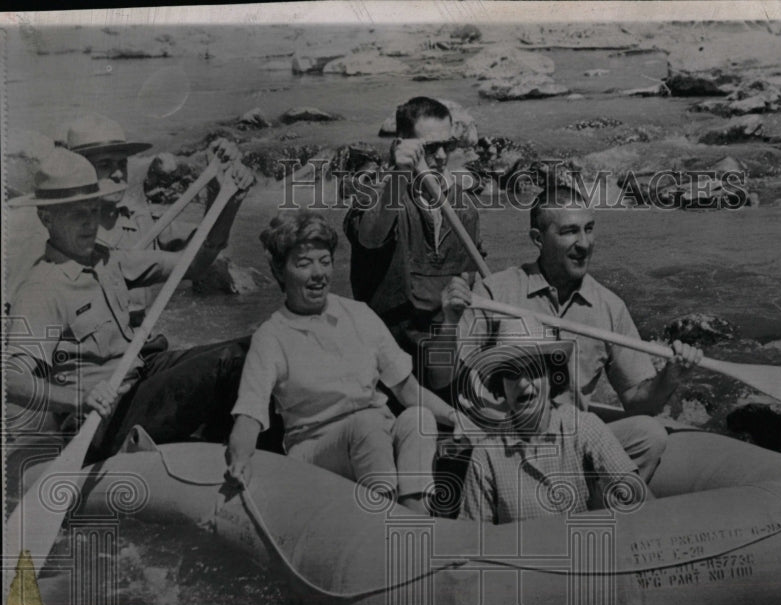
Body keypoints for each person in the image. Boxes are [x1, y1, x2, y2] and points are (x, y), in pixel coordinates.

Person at [5, 148, 256, 463]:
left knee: (255, 348)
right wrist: (78, 398)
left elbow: (193, 265)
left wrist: (228, 201)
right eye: (75, 213)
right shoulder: (42, 289)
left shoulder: (107, 258)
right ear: (46, 218)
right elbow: (10, 380)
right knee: (224, 362)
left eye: (93, 209)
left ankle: (231, 451)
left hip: (138, 379)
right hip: (98, 420)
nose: (89, 222)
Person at [442, 184, 703, 483]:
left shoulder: (609, 306)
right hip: (503, 436)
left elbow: (636, 401)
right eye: (569, 232)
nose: (584, 243)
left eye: (589, 229)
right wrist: (450, 321)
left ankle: (591, 504)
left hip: (571, 438)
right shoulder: (494, 291)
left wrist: (669, 376)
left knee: (649, 434)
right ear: (538, 239)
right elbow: (452, 377)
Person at [225, 210, 477, 515]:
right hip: (314, 452)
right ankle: (380, 521)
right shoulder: (271, 336)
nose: (318, 273)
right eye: (304, 264)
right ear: (280, 271)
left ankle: (414, 518)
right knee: (367, 423)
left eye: (325, 261)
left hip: (375, 436)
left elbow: (408, 390)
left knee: (418, 419)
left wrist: (457, 418)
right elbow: (249, 416)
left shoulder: (359, 314)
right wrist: (239, 460)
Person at [344, 96, 483, 394]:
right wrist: (400, 173)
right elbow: (371, 236)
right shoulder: (377, 194)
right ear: (402, 145)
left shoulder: (464, 207)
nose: (443, 156)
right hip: (385, 361)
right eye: (430, 148)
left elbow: (468, 284)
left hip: (443, 353)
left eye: (449, 145)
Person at [64, 113, 245, 327]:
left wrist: (222, 194)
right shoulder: (56, 232)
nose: (118, 174)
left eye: (122, 164)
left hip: (143, 347)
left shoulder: (140, 220)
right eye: (105, 165)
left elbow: (200, 256)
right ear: (76, 171)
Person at [459, 315, 640, 524]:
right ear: (501, 384)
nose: (523, 383)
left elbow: (638, 497)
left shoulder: (584, 427)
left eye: (533, 370)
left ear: (551, 376)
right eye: (512, 373)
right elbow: (472, 539)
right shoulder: (485, 456)